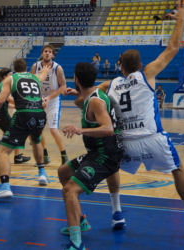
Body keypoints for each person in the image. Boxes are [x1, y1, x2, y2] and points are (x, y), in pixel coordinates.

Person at [71, 0, 184, 238]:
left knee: (112, 166)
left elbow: (85, 97)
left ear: (120, 66)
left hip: (123, 141)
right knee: (178, 169)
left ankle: (117, 212)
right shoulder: (147, 74)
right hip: (151, 137)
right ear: (139, 65)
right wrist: (181, 18)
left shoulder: (111, 84)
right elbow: (173, 48)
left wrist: (76, 95)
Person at [59, 62, 123, 250]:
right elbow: (82, 99)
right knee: (63, 172)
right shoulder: (97, 90)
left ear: (76, 80)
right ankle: (80, 221)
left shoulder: (95, 101)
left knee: (70, 190)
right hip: (96, 152)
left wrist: (80, 130)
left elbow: (108, 129)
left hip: (106, 155)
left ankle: (77, 244)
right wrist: (76, 93)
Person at [0, 59, 50, 201]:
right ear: (27, 68)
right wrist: (46, 69)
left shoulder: (11, 78)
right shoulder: (35, 77)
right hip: (40, 113)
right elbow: (43, 76)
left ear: (14, 69)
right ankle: (42, 173)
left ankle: (5, 187)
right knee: (36, 141)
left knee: (3, 152)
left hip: (23, 113)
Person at [31, 44, 69, 165]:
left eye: (49, 52)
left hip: (53, 100)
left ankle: (64, 155)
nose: (47, 53)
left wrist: (49, 97)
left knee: (53, 130)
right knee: (38, 129)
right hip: (39, 100)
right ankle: (45, 154)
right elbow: (32, 83)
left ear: (52, 55)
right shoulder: (35, 66)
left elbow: (63, 86)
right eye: (45, 51)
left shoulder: (58, 68)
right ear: (42, 53)